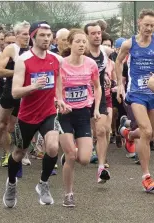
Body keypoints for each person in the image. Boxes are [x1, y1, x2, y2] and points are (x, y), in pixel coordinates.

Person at [3, 21, 69, 208]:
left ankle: (43, 184)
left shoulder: (56, 59)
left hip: (49, 112)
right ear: (33, 37)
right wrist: (33, 86)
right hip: (27, 115)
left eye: (49, 35)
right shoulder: (23, 60)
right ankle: (11, 185)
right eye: (42, 35)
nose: (47, 39)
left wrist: (60, 99)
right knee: (17, 154)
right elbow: (15, 92)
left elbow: (57, 80)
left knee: (53, 147)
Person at [59, 29, 102, 207]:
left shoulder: (91, 64)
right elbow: (54, 88)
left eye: (84, 42)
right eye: (78, 41)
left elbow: (97, 87)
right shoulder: (61, 64)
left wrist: (97, 108)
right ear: (70, 44)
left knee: (84, 159)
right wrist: (60, 101)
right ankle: (68, 194)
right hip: (64, 114)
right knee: (70, 155)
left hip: (83, 112)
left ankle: (68, 155)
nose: (82, 45)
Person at [116, 8, 154, 193]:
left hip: (153, 92)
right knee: (146, 131)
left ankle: (128, 134)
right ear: (139, 23)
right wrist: (119, 85)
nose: (149, 28)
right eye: (146, 24)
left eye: (152, 26)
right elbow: (118, 62)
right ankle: (146, 177)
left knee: (150, 134)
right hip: (137, 93)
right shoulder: (129, 44)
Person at [0, 21, 30, 169]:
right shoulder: (11, 49)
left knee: (17, 125)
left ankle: (15, 153)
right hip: (10, 90)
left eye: (29, 34)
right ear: (16, 35)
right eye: (24, 34)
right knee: (2, 123)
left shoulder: (33, 49)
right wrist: (19, 73)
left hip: (26, 91)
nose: (27, 37)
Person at [84, 22, 112, 182]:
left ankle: (101, 168)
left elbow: (120, 61)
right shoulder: (82, 52)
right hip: (80, 97)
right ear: (87, 36)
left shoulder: (105, 51)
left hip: (99, 96)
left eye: (99, 33)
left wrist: (115, 81)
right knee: (82, 137)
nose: (97, 36)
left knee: (101, 131)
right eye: (93, 33)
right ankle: (70, 154)